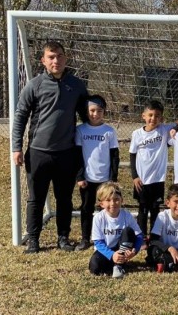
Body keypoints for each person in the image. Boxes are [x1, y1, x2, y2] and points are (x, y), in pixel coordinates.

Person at [12, 41, 88, 254]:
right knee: (36, 197)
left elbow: (89, 116)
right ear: (43, 61)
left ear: (66, 58)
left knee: (64, 198)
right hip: (39, 152)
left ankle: (63, 238)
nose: (56, 61)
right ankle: (34, 239)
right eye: (51, 57)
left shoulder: (77, 85)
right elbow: (20, 116)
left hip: (66, 153)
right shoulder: (34, 85)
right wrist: (16, 147)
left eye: (60, 56)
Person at [74, 94, 119, 251]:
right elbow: (77, 155)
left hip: (105, 180)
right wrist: (79, 176)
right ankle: (86, 238)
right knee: (86, 208)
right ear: (87, 112)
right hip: (87, 179)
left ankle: (105, 238)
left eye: (99, 111)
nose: (95, 114)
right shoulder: (80, 130)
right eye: (92, 110)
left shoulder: (109, 131)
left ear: (104, 112)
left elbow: (115, 156)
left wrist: (113, 178)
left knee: (106, 210)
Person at [129, 100, 174, 245]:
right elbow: (132, 155)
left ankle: (154, 238)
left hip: (158, 179)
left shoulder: (164, 130)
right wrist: (135, 176)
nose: (153, 119)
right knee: (143, 210)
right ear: (143, 115)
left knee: (155, 210)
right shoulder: (137, 134)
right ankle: (141, 238)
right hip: (142, 179)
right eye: (150, 115)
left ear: (161, 118)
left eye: (157, 116)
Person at [89, 182, 143, 278]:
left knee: (128, 231)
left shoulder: (127, 215)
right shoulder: (98, 218)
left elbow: (139, 235)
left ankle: (119, 266)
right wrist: (112, 255)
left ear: (122, 200)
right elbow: (98, 242)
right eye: (108, 200)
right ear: (101, 203)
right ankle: (112, 264)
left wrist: (134, 250)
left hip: (122, 250)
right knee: (94, 268)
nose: (113, 203)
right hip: (106, 251)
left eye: (116, 199)